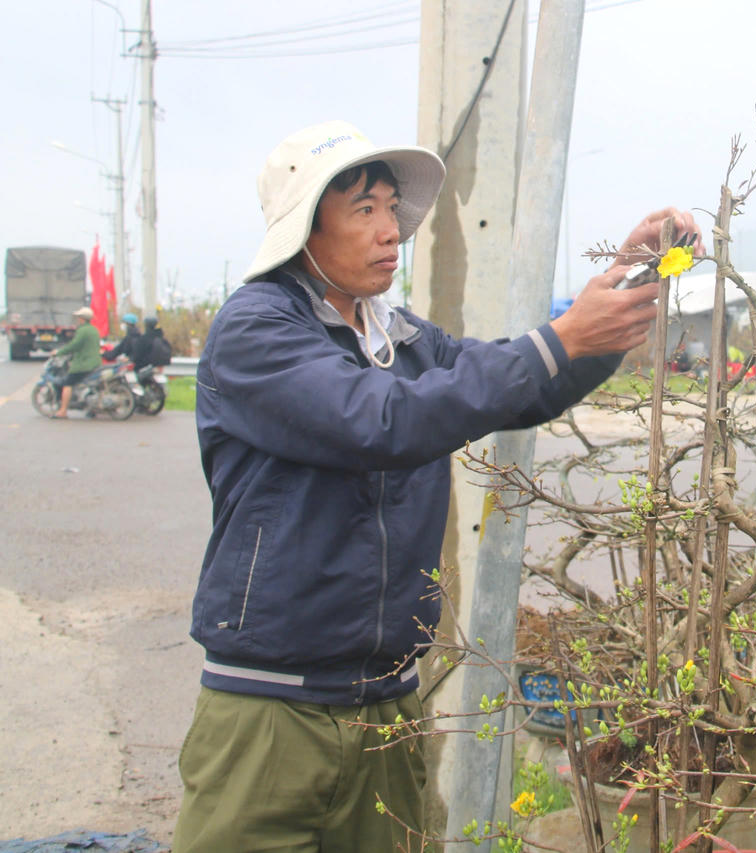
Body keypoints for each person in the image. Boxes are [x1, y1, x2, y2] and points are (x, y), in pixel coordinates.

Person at [171, 120, 700, 853]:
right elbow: (382, 421)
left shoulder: (401, 337)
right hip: (269, 712)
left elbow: (522, 385)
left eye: (393, 208)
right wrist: (561, 337)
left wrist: (624, 282)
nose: (392, 229)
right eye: (364, 210)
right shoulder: (258, 330)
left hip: (389, 705)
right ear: (304, 229)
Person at [52, 307, 102, 418]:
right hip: (95, 363)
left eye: (78, 317)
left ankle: (63, 411)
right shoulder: (94, 330)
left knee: (67, 383)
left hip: (83, 364)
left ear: (82, 319)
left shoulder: (82, 330)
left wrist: (59, 352)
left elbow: (74, 345)